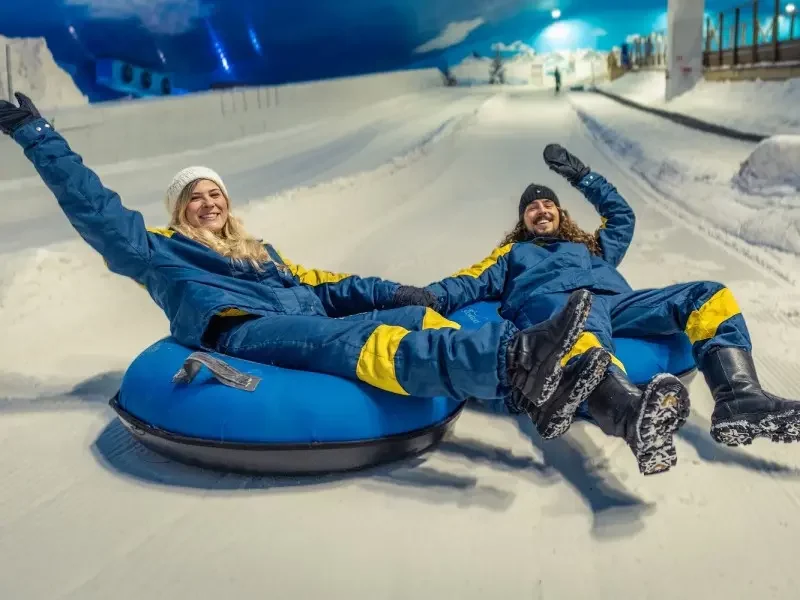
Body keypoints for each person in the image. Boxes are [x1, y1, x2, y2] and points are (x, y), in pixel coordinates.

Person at [0, 92, 611, 432]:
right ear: (179, 212)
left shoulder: (259, 254)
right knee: (358, 338)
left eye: (215, 193)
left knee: (384, 316)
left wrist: (398, 291)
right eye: (195, 197)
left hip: (296, 317)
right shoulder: (158, 252)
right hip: (240, 331)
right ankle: (517, 361)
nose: (208, 201)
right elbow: (99, 211)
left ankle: (542, 384)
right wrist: (40, 136)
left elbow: (325, 285)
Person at [426, 142, 800, 473]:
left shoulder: (591, 248)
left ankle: (740, 398)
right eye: (531, 208)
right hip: (560, 310)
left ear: (560, 213)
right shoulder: (512, 254)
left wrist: (582, 176)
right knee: (579, 324)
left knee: (708, 295)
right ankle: (631, 414)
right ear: (522, 221)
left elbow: (622, 217)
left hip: (618, 304)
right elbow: (467, 283)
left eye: (547, 204)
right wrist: (416, 298)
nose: (540, 210)